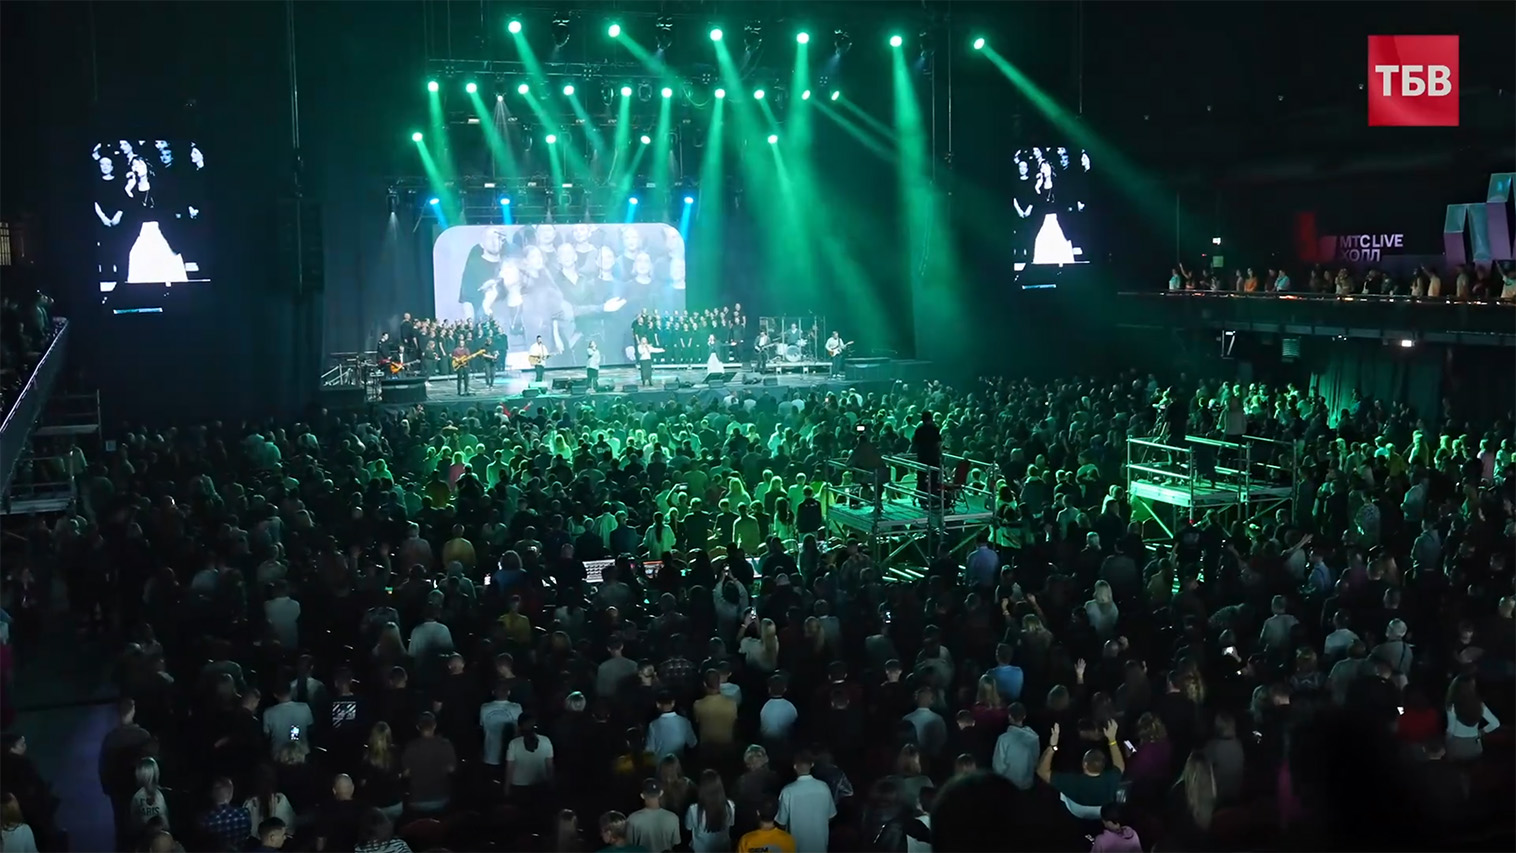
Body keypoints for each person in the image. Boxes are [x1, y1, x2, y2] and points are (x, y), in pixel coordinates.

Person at [775, 750, 834, 853]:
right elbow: (831, 816)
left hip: (796, 847)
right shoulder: (824, 787)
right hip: (820, 846)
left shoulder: (788, 791)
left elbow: (781, 822)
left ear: (794, 766)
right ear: (812, 764)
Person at [627, 779, 681, 853]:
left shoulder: (632, 819)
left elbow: (629, 845)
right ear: (661, 793)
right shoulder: (673, 818)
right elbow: (676, 843)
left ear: (642, 795)